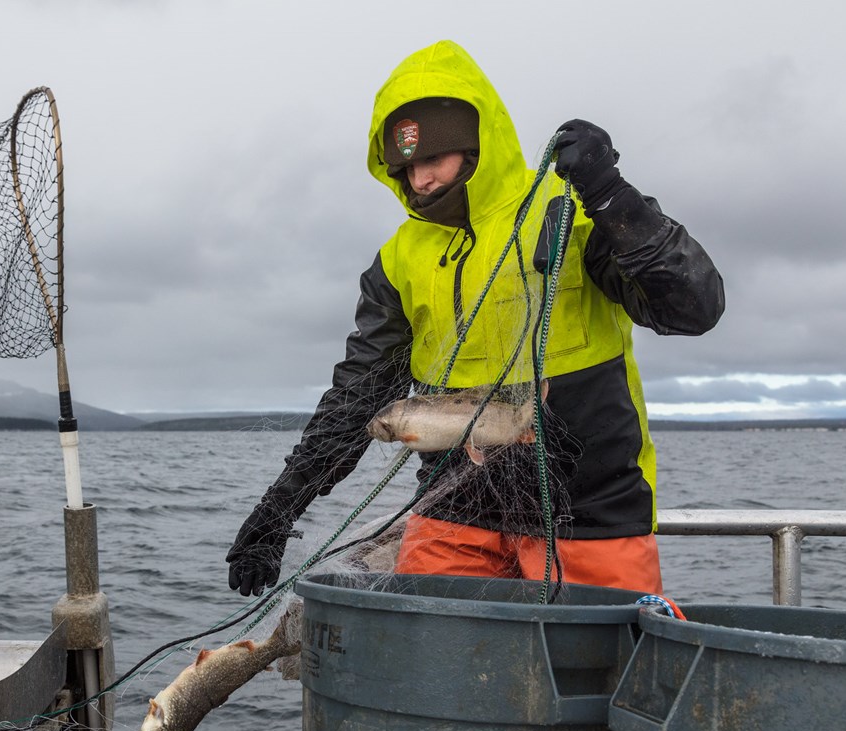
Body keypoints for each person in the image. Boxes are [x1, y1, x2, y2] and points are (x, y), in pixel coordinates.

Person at [226, 40, 724, 599]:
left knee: (602, 677)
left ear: (475, 145)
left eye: (432, 160)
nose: (419, 182)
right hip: (452, 512)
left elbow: (693, 309)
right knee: (433, 673)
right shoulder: (398, 261)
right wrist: (277, 512)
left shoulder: (570, 211)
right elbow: (356, 400)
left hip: (589, 512)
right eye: (406, 167)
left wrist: (610, 194)